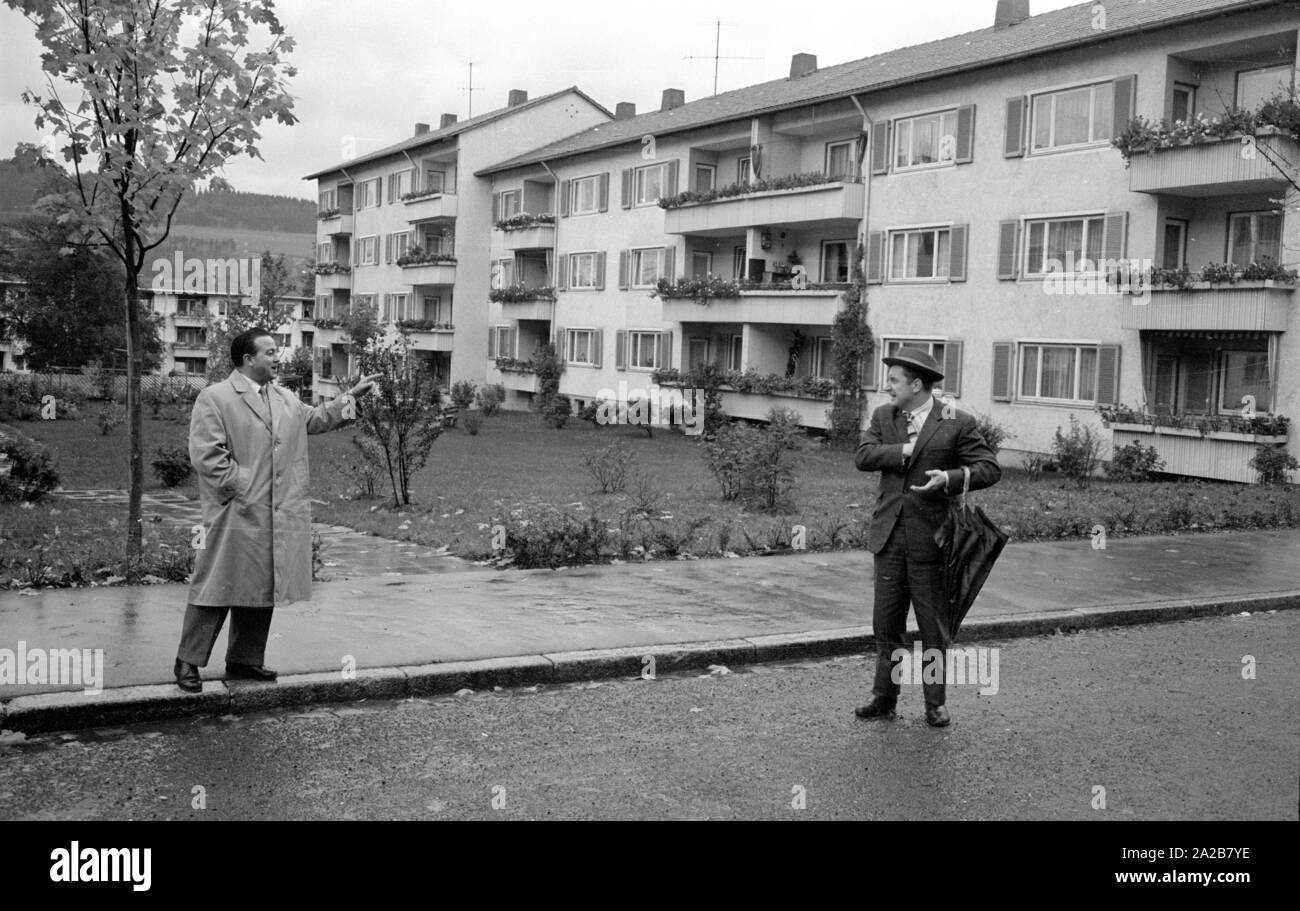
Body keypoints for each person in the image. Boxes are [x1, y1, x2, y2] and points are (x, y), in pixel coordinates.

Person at [173, 328, 380, 693]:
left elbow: (317, 419)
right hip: (234, 512)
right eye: (269, 352)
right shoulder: (216, 398)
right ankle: (187, 661)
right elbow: (207, 456)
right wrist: (243, 487)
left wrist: (350, 398)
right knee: (215, 586)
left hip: (276, 512)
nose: (276, 357)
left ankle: (244, 661)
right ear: (247, 359)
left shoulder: (284, 398)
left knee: (261, 586)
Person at [854, 347, 1000, 726]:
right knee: (886, 624)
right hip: (888, 538)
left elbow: (989, 468)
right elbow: (864, 455)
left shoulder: (956, 421)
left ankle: (935, 702)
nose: (888, 387)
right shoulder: (884, 416)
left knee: (933, 627)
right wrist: (905, 450)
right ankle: (884, 696)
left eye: (894, 380)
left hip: (932, 540)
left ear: (916, 385)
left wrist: (950, 479)